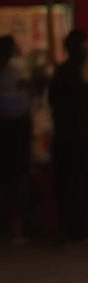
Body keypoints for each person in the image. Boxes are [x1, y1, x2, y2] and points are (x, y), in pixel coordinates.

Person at [48, 31, 88, 243]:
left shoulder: (61, 73)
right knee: (85, 183)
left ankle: (69, 228)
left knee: (68, 184)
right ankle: (83, 227)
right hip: (83, 137)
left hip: (64, 138)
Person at [0, 36, 32, 243]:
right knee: (18, 178)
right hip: (17, 128)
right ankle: (18, 228)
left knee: (4, 179)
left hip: (5, 128)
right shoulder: (17, 72)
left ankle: (7, 228)